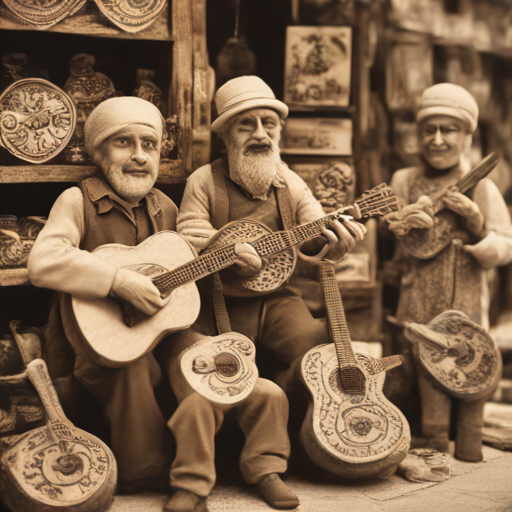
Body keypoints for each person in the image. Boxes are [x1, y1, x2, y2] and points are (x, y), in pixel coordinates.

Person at [161, 76, 366, 512]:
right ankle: (217, 464)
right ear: (225, 135)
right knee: (205, 366)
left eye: (268, 123)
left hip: (277, 300)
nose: (260, 133)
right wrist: (226, 248)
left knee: (318, 349)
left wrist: (336, 240)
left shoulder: (290, 182)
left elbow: (314, 233)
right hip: (215, 300)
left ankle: (311, 447)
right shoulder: (205, 180)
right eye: (246, 124)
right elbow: (189, 233)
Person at [28, 97, 178, 493]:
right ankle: (143, 472)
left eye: (149, 144)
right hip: (90, 349)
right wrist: (118, 281)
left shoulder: (165, 208)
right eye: (123, 143)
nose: (140, 156)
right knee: (131, 369)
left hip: (153, 338)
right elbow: (43, 261)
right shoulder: (77, 200)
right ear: (98, 151)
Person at [385, 83, 512, 460]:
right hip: (419, 299)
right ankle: (434, 442)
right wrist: (403, 222)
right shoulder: (404, 180)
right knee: (426, 370)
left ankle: (469, 442)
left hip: (468, 303)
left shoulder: (484, 188)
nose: (437, 139)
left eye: (449, 130)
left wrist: (476, 224)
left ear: (468, 136)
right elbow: (393, 238)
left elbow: (505, 246)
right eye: (429, 129)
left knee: (471, 367)